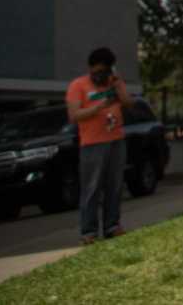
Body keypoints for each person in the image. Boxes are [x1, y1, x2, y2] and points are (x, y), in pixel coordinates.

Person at [64, 47, 129, 245]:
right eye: (97, 71)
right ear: (91, 69)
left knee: (115, 186)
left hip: (116, 140)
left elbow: (128, 103)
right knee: (91, 188)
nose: (100, 76)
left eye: (105, 71)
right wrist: (99, 106)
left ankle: (112, 225)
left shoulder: (114, 83)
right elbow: (74, 116)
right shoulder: (78, 86)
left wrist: (118, 85)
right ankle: (89, 231)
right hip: (92, 144)